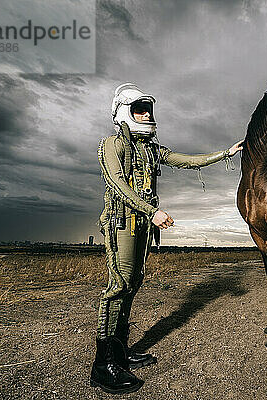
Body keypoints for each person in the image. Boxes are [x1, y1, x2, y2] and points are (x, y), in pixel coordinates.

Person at [90, 83, 243, 394]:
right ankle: (103, 363)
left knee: (132, 285)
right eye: (139, 109)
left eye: (149, 108)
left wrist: (225, 153)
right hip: (122, 222)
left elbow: (188, 160)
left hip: (142, 225)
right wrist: (152, 211)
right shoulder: (111, 144)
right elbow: (116, 183)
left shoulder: (150, 149)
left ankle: (119, 353)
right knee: (118, 285)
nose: (146, 114)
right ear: (123, 112)